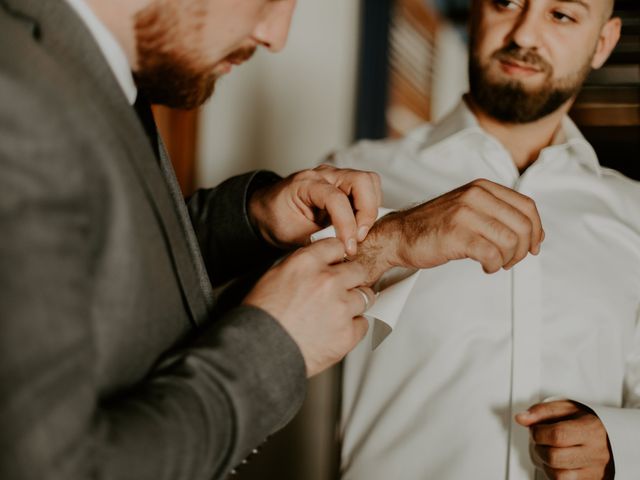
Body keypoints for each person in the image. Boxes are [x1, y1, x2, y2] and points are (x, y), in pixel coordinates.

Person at [0, 1, 544, 479]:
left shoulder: (95, 71)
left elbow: (99, 258)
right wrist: (272, 343)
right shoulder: (19, 103)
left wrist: (253, 219)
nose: (276, 35)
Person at [327, 0, 640, 479]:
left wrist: (620, 444)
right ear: (475, 11)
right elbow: (275, 338)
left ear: (603, 42)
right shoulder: (353, 175)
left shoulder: (634, 212)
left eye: (561, 15)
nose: (525, 35)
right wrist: (394, 238)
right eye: (507, 3)